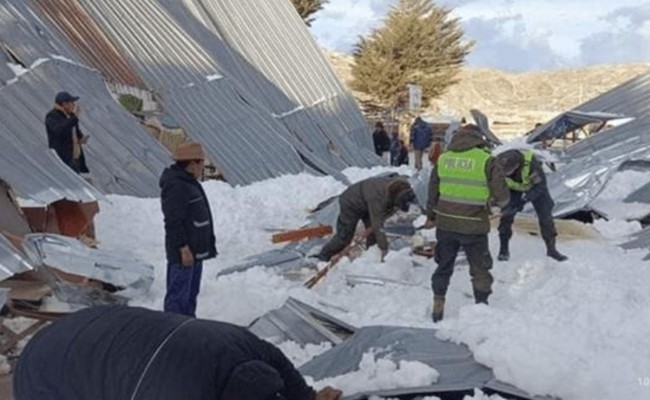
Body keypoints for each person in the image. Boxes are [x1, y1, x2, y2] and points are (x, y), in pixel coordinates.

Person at [13, 305, 343, 400]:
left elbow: (286, 376)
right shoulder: (178, 392)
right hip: (48, 367)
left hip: (101, 327)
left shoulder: (253, 349)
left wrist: (309, 398)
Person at [424, 125, 510, 322]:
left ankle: (438, 303)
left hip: (446, 223)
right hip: (474, 225)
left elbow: (433, 189)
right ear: (479, 139)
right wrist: (500, 205)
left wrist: (431, 214)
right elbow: (502, 195)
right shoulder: (487, 160)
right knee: (479, 267)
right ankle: (481, 306)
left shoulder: (444, 158)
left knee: (444, 264)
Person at [160, 141, 217, 317]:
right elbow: (173, 221)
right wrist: (183, 247)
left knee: (189, 296)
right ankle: (173, 332)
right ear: (192, 164)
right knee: (178, 298)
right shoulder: (177, 185)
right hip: (184, 252)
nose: (203, 168)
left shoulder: (188, 181)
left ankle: (187, 329)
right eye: (201, 163)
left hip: (195, 250)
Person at [317, 176, 416, 262]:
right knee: (345, 237)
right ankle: (324, 255)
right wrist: (384, 248)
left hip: (366, 200)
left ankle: (370, 258)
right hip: (351, 202)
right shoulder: (378, 198)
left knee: (373, 234)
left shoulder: (403, 186)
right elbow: (378, 225)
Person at [496, 149, 568, 262]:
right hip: (513, 189)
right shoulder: (498, 163)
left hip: (535, 189)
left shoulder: (532, 166)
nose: (505, 174)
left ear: (517, 166)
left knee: (546, 217)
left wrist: (524, 200)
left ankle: (552, 249)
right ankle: (503, 249)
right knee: (506, 215)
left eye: (508, 172)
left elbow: (540, 187)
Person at [45, 91, 89, 174]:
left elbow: (75, 131)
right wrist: (74, 118)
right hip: (63, 159)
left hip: (74, 158)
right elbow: (60, 130)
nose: (73, 106)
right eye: (71, 103)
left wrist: (81, 138)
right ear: (64, 104)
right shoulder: (52, 116)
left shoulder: (69, 116)